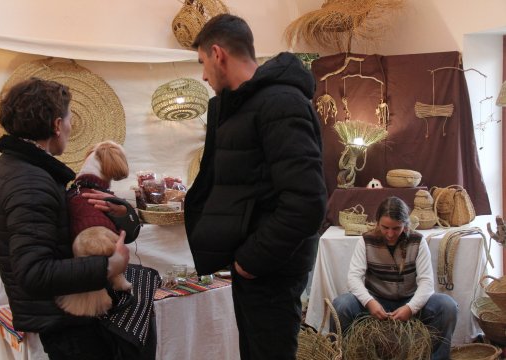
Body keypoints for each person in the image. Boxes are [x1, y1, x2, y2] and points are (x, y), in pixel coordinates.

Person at [184, 14, 327, 360]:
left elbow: (307, 201)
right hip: (258, 268)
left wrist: (252, 260)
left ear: (218, 54)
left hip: (271, 268)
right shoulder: (244, 106)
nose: (203, 75)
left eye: (203, 62)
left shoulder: (280, 103)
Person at [0, 78, 151, 360]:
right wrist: (109, 266)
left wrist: (122, 214)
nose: (71, 127)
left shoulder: (22, 169)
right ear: (57, 126)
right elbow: (34, 273)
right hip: (65, 325)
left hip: (62, 316)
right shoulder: (30, 183)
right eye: (69, 118)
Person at [332, 196, 458, 360]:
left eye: (396, 228)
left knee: (447, 306)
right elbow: (354, 278)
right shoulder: (366, 240)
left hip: (409, 301)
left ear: (405, 225)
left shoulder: (417, 241)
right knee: (341, 305)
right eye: (385, 227)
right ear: (377, 222)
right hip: (376, 302)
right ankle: (345, 355)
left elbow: (426, 283)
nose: (390, 234)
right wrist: (370, 303)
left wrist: (410, 308)